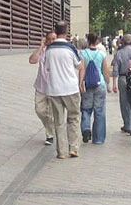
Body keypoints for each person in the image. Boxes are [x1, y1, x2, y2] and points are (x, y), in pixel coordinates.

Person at [45, 21, 84, 159]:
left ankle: (61, 151)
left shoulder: (49, 49)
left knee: (58, 121)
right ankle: (73, 148)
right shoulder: (70, 48)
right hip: (70, 88)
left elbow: (47, 67)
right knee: (73, 117)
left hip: (54, 89)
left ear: (55, 31)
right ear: (66, 32)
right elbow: (79, 65)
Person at [29, 31, 56, 146]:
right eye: (49, 39)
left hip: (53, 87)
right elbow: (32, 60)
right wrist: (41, 46)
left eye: (54, 39)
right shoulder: (43, 51)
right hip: (41, 86)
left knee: (51, 113)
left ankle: (50, 134)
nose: (51, 41)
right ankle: (51, 128)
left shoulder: (58, 52)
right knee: (39, 110)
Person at [80, 32, 108, 144]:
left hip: (87, 84)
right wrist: (108, 84)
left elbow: (81, 69)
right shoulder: (102, 54)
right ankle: (98, 138)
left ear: (88, 40)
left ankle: (86, 128)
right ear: (97, 41)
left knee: (86, 109)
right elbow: (105, 71)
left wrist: (80, 83)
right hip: (100, 84)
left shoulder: (83, 53)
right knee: (99, 111)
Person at [110, 33, 131, 135]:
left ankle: (127, 124)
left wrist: (114, 84)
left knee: (124, 102)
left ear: (123, 42)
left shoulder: (119, 53)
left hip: (122, 78)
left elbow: (115, 70)